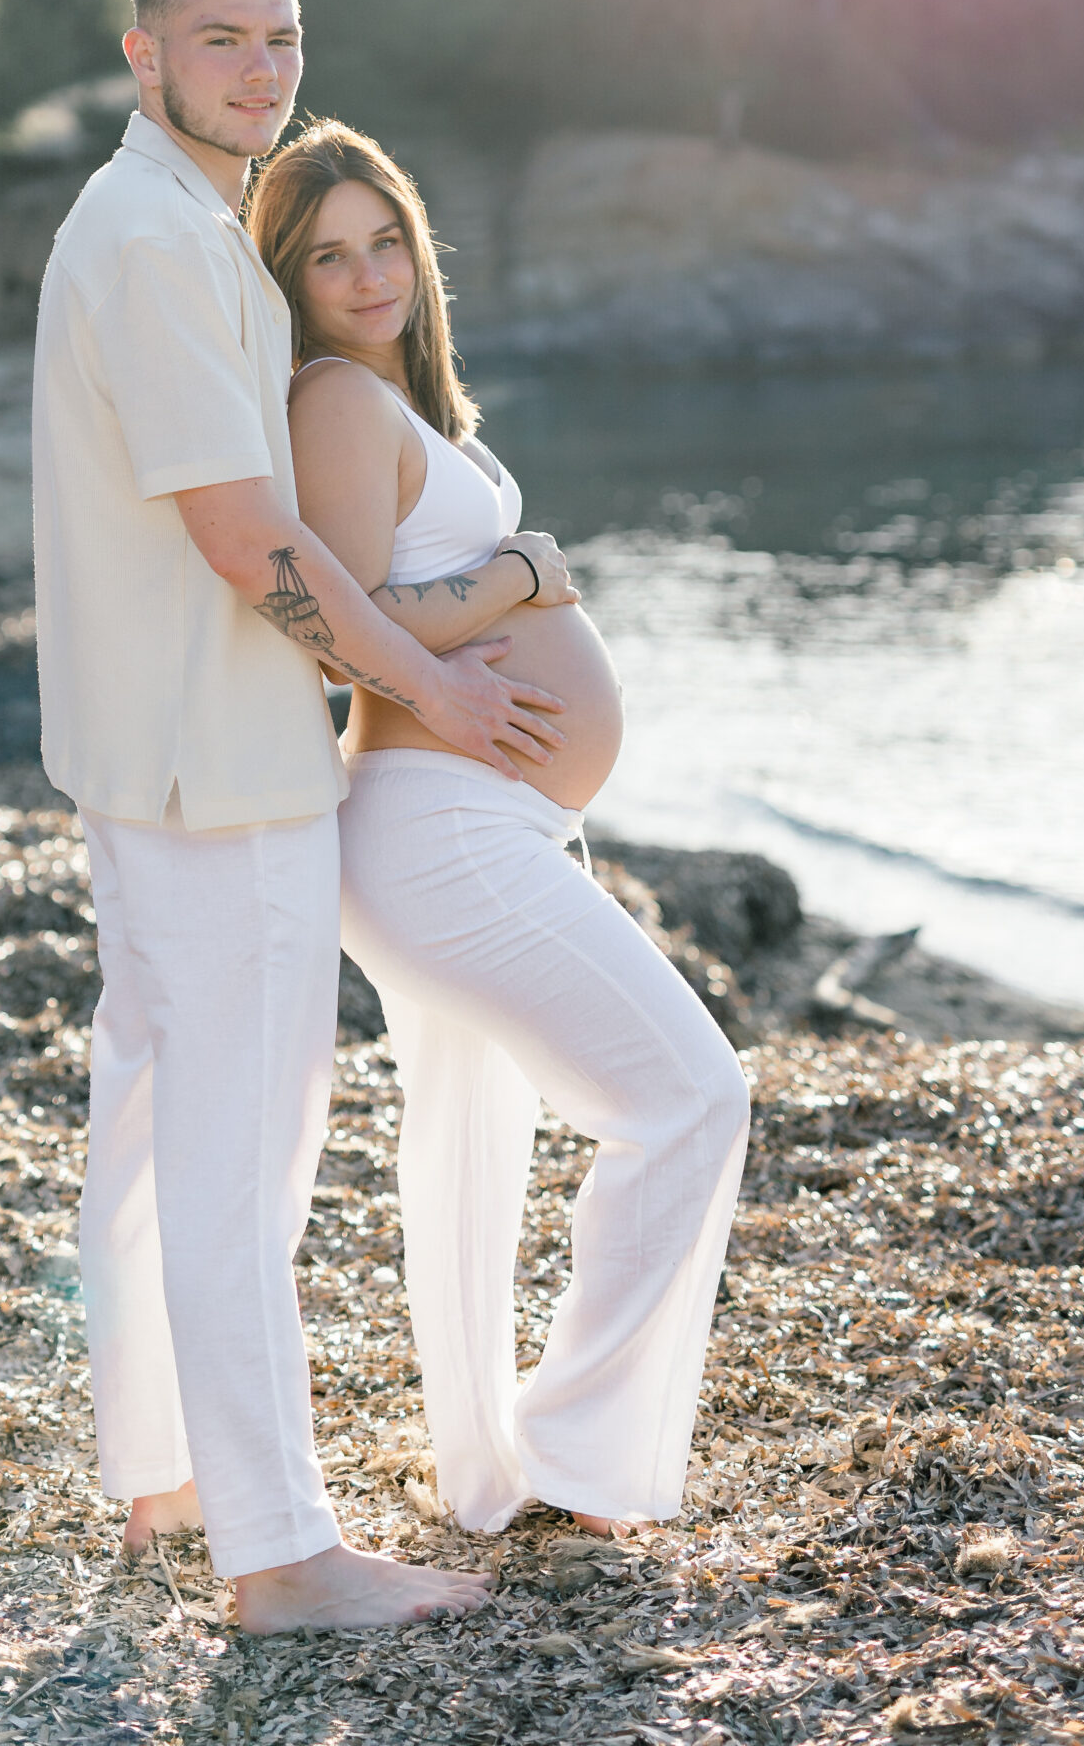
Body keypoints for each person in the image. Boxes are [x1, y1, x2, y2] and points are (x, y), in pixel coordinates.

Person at [32, 0, 567, 1632]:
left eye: (280, 37)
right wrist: (430, 685)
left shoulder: (170, 223)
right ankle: (279, 1555)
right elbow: (243, 535)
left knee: (156, 1119)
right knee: (241, 1149)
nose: (260, 69)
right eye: (221, 39)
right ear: (146, 56)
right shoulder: (160, 243)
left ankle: (165, 1472)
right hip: (219, 770)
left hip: (157, 760)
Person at [249, 120, 752, 1539]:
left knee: (470, 1148)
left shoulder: (395, 406)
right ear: (290, 280)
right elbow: (340, 624)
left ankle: (488, 1472)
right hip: (436, 829)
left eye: (386, 241)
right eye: (328, 256)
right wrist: (522, 574)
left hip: (467, 823)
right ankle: (579, 1452)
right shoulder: (336, 400)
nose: (369, 275)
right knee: (693, 1099)